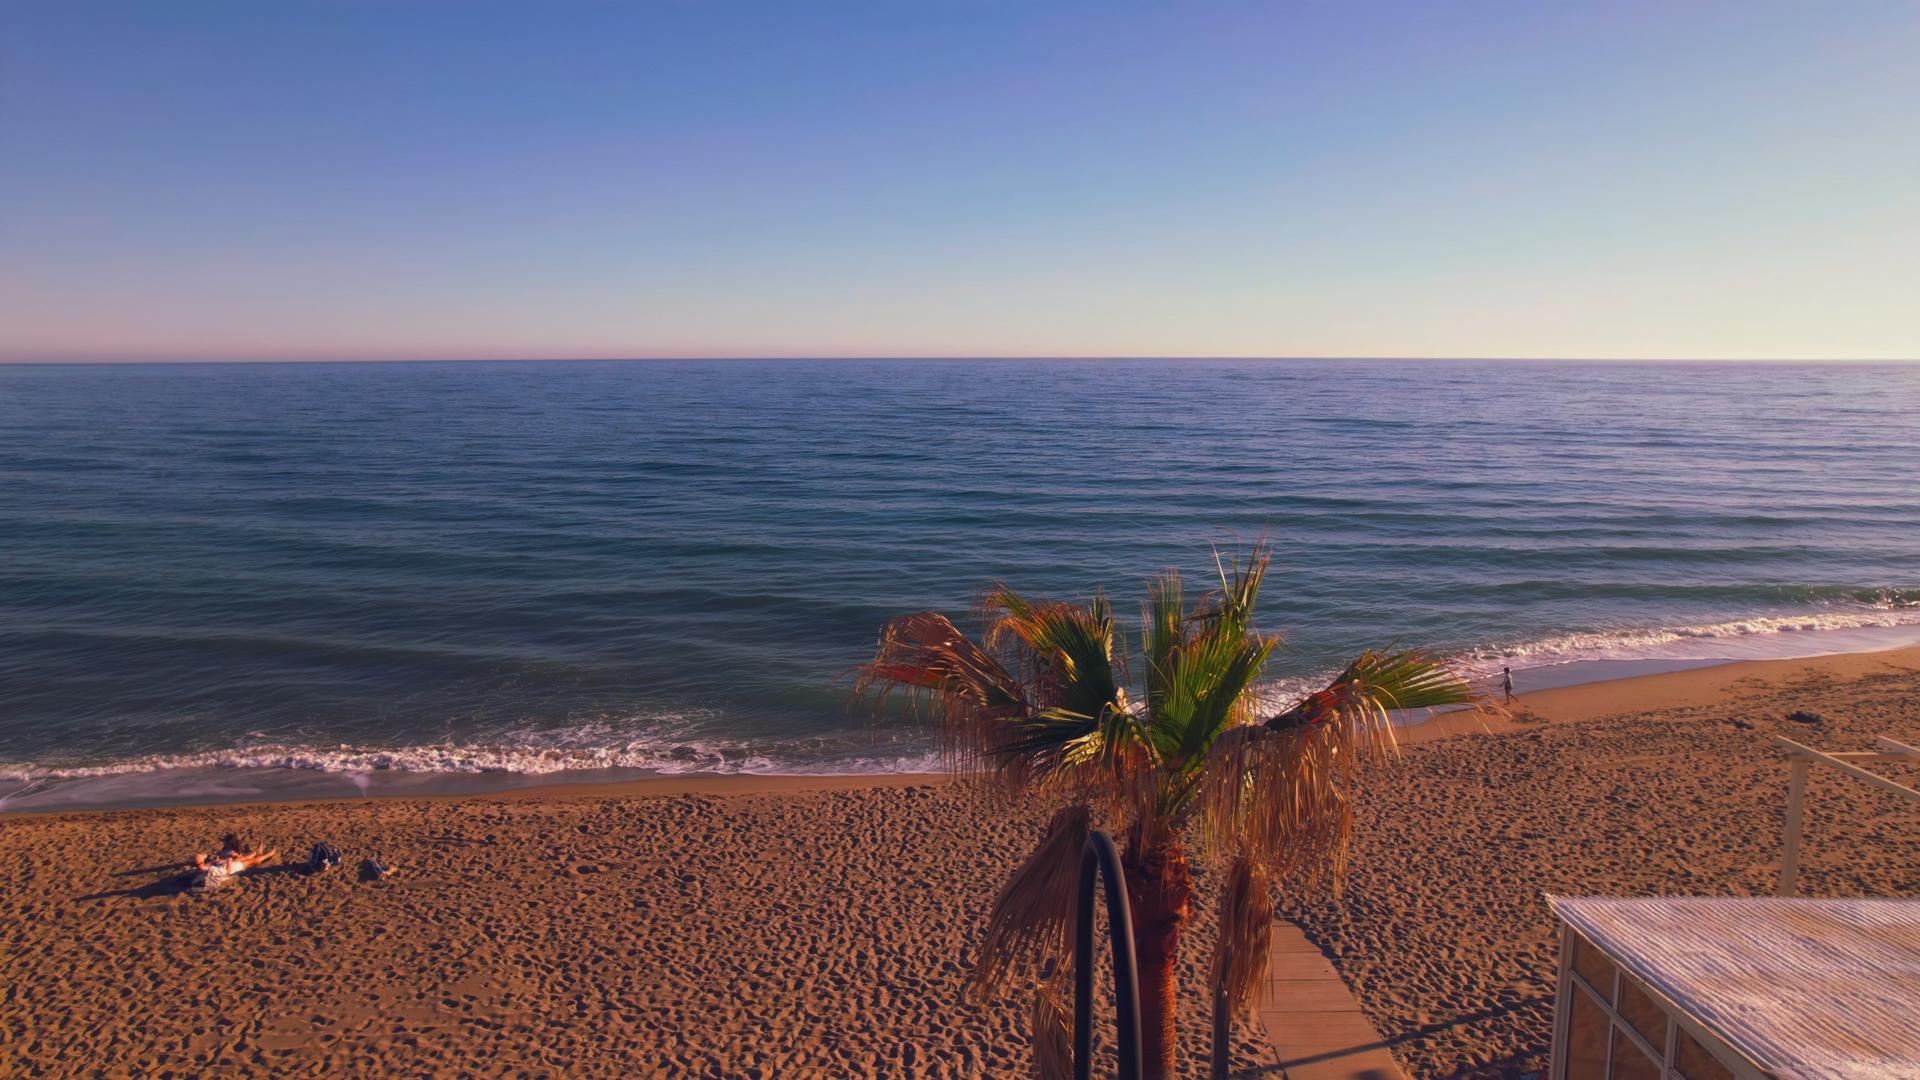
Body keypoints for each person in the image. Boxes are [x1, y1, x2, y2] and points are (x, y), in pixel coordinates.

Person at [189, 835, 279, 892]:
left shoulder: (197, 870)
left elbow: (203, 869)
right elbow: (225, 872)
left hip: (226, 865)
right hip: (232, 869)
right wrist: (227, 862)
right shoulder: (209, 870)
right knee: (251, 862)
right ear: (202, 862)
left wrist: (217, 862)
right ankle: (268, 855)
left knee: (246, 860)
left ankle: (259, 852)